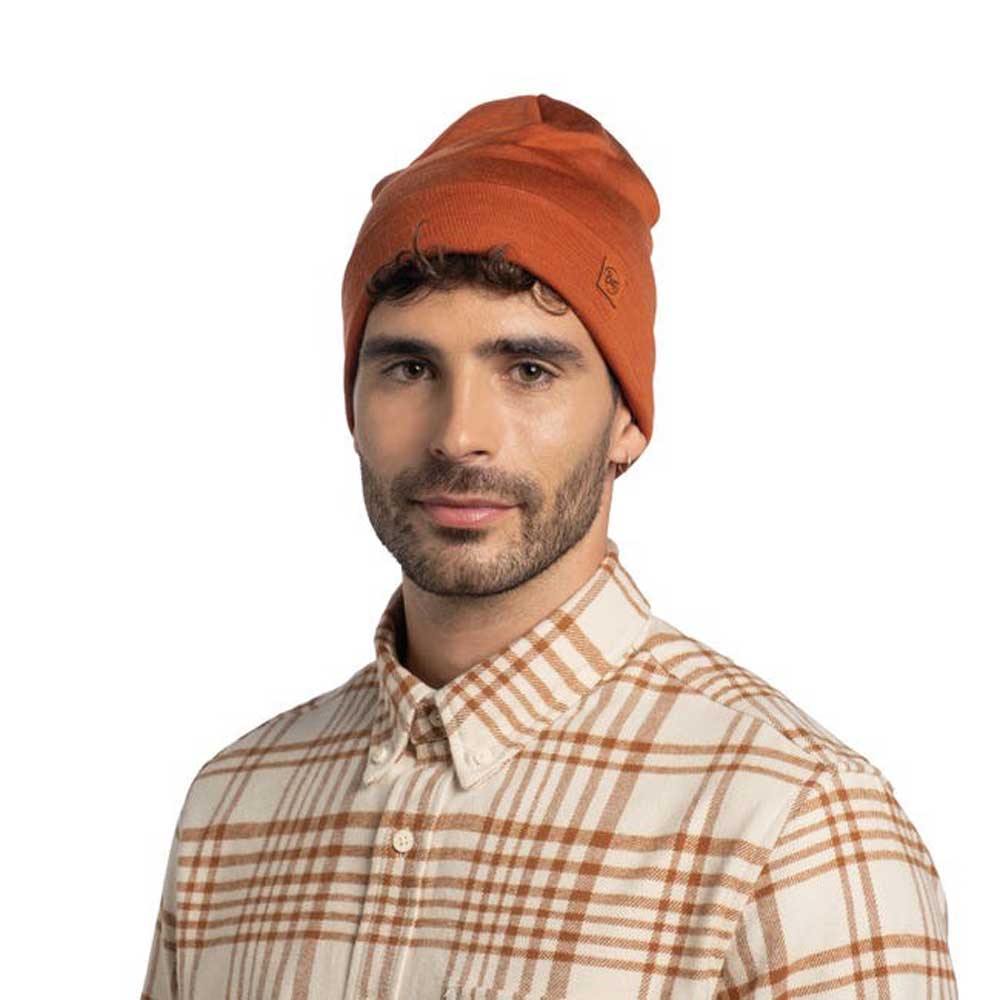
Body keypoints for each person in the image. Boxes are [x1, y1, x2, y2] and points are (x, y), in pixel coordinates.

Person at [141, 93, 957, 1000]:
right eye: (409, 368)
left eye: (528, 370)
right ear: (353, 407)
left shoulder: (794, 824)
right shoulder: (232, 809)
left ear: (627, 420)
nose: (459, 435)